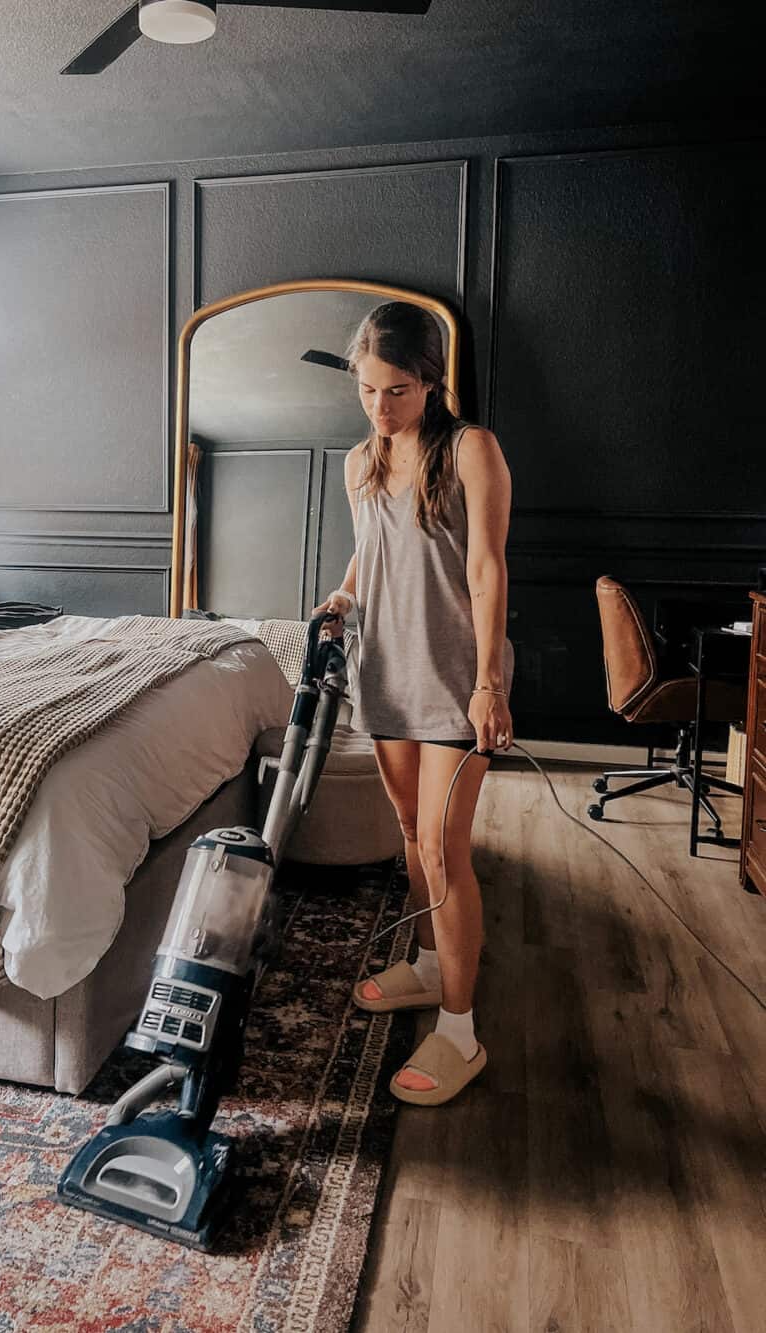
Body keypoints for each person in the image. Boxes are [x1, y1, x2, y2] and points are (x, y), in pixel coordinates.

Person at [314, 301, 514, 1107]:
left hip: (455, 676)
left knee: (442, 849)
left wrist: (490, 680)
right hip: (385, 669)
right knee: (406, 833)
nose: (381, 407)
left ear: (433, 381)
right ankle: (430, 968)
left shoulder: (471, 449)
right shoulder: (361, 461)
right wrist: (342, 592)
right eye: (368, 389)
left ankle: (461, 1030)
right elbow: (372, 553)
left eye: (397, 390)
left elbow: (488, 569)